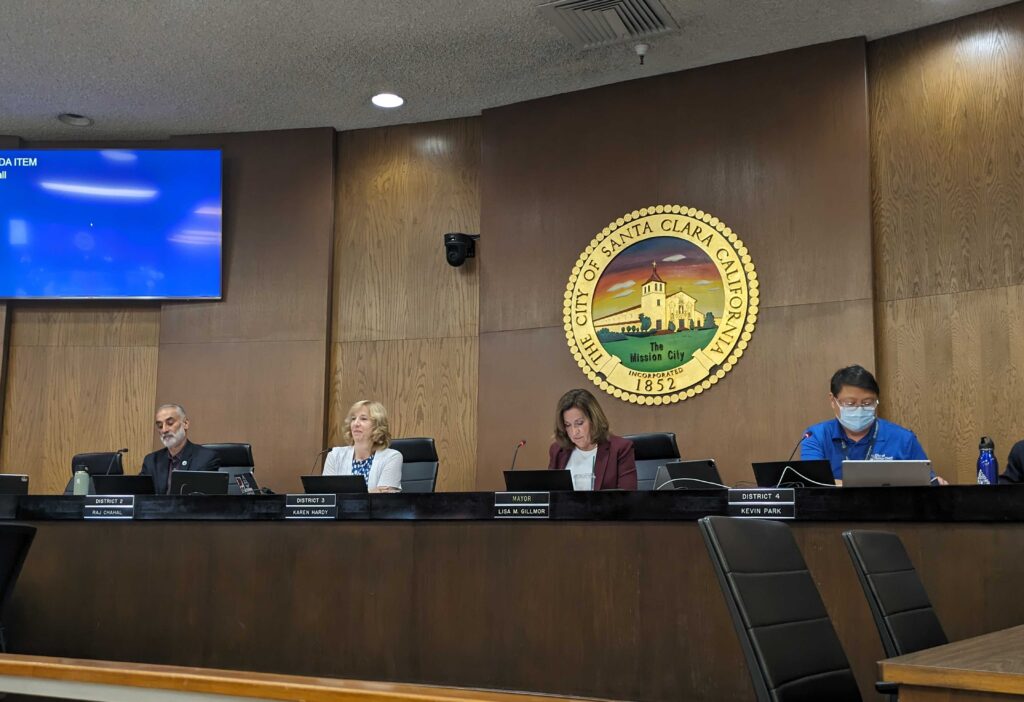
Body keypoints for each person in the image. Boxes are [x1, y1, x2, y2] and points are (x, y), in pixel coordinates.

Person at [800, 365, 946, 484]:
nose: (859, 409)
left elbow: (926, 482)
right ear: (833, 400)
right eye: (850, 403)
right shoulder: (815, 436)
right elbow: (814, 483)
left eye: (867, 403)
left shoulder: (903, 439)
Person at [547, 388, 637, 490]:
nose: (574, 432)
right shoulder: (557, 450)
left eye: (579, 423)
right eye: (567, 425)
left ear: (594, 420)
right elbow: (551, 495)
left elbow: (628, 497)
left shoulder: (620, 449)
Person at [141, 403, 222, 494]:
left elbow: (203, 501)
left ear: (185, 424)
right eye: (160, 426)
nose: (164, 430)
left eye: (170, 423)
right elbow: (141, 496)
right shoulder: (151, 461)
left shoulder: (206, 458)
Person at [323, 400, 402, 492]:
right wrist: (371, 492)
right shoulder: (335, 455)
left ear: (377, 425)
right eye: (353, 419)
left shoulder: (392, 457)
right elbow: (327, 497)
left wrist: (345, 494)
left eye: (363, 419)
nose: (356, 423)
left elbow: (384, 500)